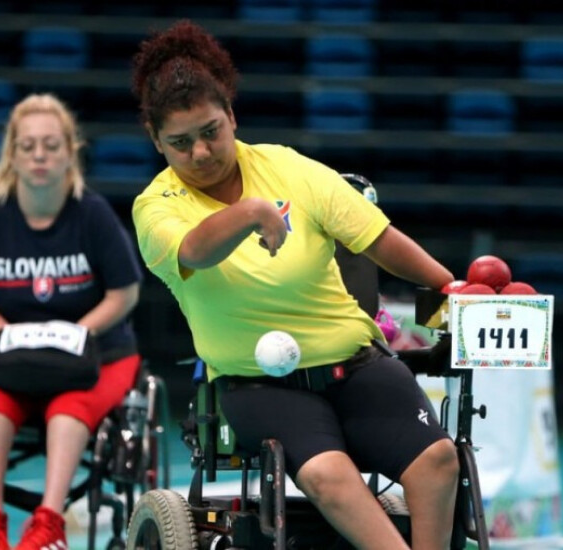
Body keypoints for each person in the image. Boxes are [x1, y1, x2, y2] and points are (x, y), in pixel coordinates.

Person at [130, 20, 459, 549]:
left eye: (211, 131)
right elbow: (195, 250)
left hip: (355, 365)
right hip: (258, 385)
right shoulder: (156, 207)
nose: (201, 152)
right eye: (180, 142)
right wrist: (251, 212)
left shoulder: (288, 167)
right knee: (330, 477)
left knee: (439, 459)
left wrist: (451, 285)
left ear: (232, 116)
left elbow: (376, 236)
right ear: (157, 141)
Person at [0, 93, 144, 550]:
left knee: (68, 411)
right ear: (12, 153)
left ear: (70, 152)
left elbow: (125, 292)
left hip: (96, 353)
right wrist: (7, 334)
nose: (39, 156)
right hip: (5, 352)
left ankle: (48, 523)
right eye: (29, 145)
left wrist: (76, 333)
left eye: (51, 146)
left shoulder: (92, 214)